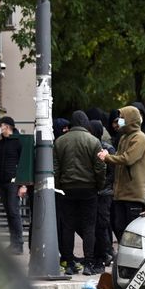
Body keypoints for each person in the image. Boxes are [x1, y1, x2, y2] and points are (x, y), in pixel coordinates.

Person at [53, 111, 106, 276]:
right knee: (89, 227)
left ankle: (69, 263)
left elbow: (55, 168)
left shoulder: (60, 141)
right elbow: (100, 167)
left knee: (68, 227)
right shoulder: (93, 141)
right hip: (89, 189)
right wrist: (99, 185)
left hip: (67, 189)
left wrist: (59, 186)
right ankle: (89, 264)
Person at [99, 106, 145, 240]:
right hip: (120, 194)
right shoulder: (124, 137)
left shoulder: (140, 138)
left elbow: (128, 159)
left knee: (132, 231)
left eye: (122, 118)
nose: (119, 121)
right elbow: (119, 157)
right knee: (119, 227)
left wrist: (107, 157)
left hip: (133, 195)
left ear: (130, 119)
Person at [0, 115, 25, 255]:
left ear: (7, 126)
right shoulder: (1, 143)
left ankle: (19, 244)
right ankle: (13, 243)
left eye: (0, 125)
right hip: (3, 183)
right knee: (9, 213)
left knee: (13, 212)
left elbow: (23, 164)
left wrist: (23, 184)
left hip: (13, 182)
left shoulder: (19, 142)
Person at [89, 120, 116, 267]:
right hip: (99, 191)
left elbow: (112, 172)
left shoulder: (107, 149)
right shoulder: (94, 146)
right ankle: (103, 251)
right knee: (99, 223)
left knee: (103, 223)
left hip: (105, 192)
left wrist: (101, 184)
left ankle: (106, 252)